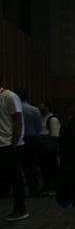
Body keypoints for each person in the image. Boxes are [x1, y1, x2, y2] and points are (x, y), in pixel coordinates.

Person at [0, 76, 28, 221]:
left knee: (15, 178)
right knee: (8, 177)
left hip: (9, 144)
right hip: (3, 144)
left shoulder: (10, 96)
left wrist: (14, 143)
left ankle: (20, 209)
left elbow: (18, 121)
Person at [16, 89, 43, 196]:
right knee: (32, 166)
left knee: (17, 165)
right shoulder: (34, 110)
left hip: (17, 138)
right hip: (31, 139)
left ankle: (17, 189)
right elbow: (39, 128)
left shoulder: (14, 109)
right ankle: (33, 188)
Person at [37, 101, 60, 195]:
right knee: (44, 169)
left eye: (41, 107)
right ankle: (47, 186)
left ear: (47, 108)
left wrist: (49, 147)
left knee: (51, 168)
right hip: (43, 148)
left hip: (49, 149)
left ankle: (54, 186)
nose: (39, 109)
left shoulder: (52, 119)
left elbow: (55, 136)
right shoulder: (43, 118)